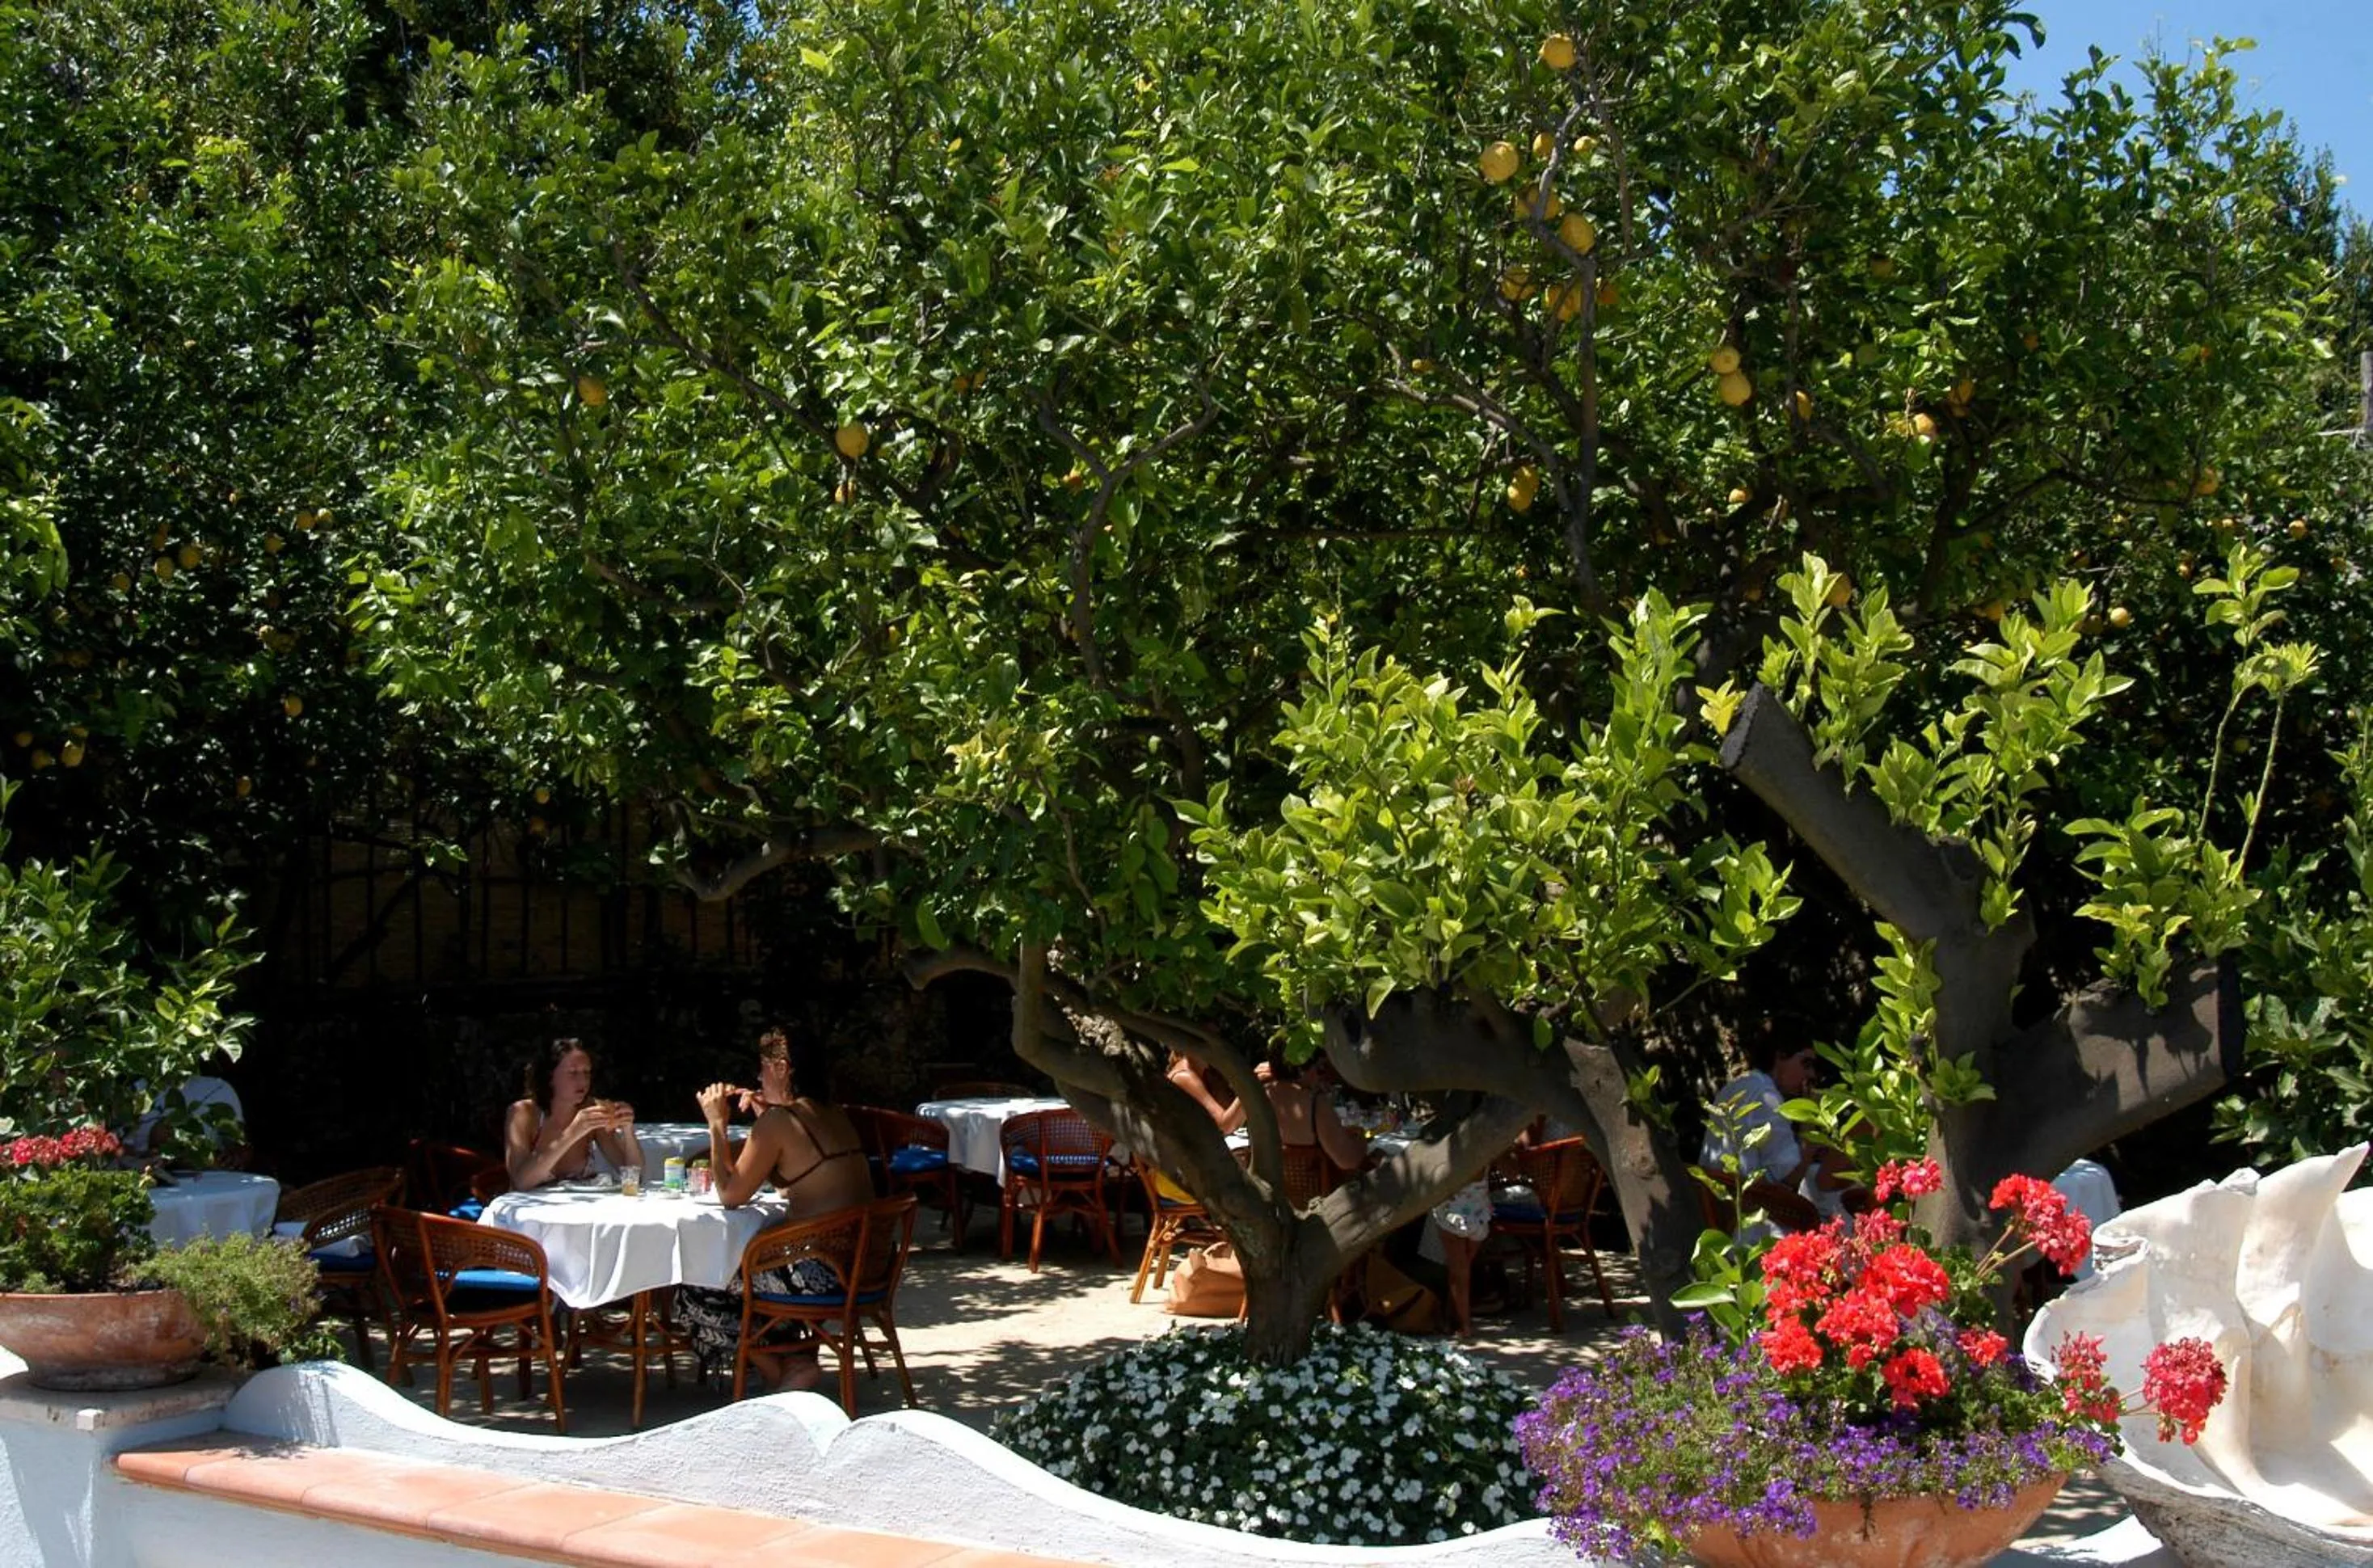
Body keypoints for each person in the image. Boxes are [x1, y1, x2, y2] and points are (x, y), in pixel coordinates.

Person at [676, 1027, 874, 1390]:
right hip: (863, 1263)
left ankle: (781, 1372)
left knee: (698, 1280)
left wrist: (717, 1124)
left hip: (820, 1273)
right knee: (733, 1272)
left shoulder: (780, 1122)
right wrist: (766, 1119)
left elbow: (730, 1195)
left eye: (763, 1069)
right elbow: (787, 1181)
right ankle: (794, 1357)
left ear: (782, 1068)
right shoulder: (832, 1113)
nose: (758, 1078)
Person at [1701, 1036, 1845, 1230]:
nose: (1811, 1075)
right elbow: (1790, 1177)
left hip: (1719, 1209)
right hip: (1754, 1221)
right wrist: (1810, 1119)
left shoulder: (1737, 1085)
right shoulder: (1766, 1095)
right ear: (1780, 1056)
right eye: (1806, 1064)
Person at [504, 1039, 642, 1190]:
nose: (583, 1080)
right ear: (550, 1077)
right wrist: (573, 1133)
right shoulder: (523, 1113)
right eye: (573, 1073)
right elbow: (521, 1182)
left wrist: (628, 1131)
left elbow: (635, 1176)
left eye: (586, 1072)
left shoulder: (593, 1111)